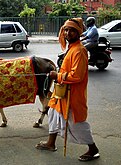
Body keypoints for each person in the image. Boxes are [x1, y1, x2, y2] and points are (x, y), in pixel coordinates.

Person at [35, 17, 100, 162]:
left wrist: (56, 76)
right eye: (66, 30)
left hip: (73, 95)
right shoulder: (71, 48)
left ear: (78, 32)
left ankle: (93, 149)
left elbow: (76, 76)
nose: (68, 33)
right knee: (52, 113)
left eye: (72, 30)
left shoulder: (80, 51)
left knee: (75, 123)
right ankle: (51, 143)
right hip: (62, 93)